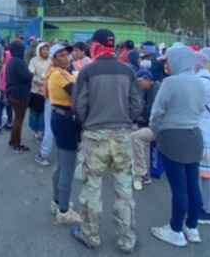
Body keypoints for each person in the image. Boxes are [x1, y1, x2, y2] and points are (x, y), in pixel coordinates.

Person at [70, 29, 141, 253]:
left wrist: (90, 122)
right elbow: (137, 104)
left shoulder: (88, 71)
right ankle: (127, 239)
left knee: (92, 188)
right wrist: (124, 120)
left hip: (94, 136)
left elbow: (78, 105)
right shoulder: (127, 70)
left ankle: (90, 236)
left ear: (96, 46)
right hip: (121, 136)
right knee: (123, 189)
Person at [149, 46, 207, 248]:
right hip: (194, 134)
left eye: (169, 61)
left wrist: (154, 131)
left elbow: (157, 111)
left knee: (178, 188)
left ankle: (174, 230)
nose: (166, 65)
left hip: (172, 135)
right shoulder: (200, 81)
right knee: (193, 184)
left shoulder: (171, 82)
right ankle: (192, 227)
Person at [46, 44, 83, 226]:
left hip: (61, 119)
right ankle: (64, 211)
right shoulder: (59, 74)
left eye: (67, 54)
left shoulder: (64, 73)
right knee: (67, 165)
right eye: (61, 55)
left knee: (61, 163)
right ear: (54, 60)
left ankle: (57, 201)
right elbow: (78, 93)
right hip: (65, 121)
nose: (66, 58)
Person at [193, 52, 210, 226]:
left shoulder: (202, 82)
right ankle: (208, 207)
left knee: (207, 174)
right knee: (208, 173)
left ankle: (208, 212)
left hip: (203, 132)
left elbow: (195, 106)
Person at [130, 69, 160, 189]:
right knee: (128, 131)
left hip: (159, 127)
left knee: (135, 136)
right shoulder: (150, 89)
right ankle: (132, 164)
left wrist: (139, 121)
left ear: (147, 79)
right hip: (157, 124)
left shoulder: (155, 90)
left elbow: (151, 112)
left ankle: (141, 173)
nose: (138, 84)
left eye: (140, 81)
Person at [5, 40, 34, 153]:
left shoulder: (12, 61)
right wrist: (32, 73)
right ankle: (17, 144)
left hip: (12, 92)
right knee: (19, 119)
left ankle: (13, 140)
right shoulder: (18, 62)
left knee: (17, 118)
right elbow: (25, 77)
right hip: (19, 94)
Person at [28, 42, 50, 144]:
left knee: (45, 113)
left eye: (47, 49)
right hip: (36, 91)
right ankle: (35, 131)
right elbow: (31, 73)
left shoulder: (51, 61)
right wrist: (39, 80)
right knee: (35, 112)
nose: (46, 51)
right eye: (43, 49)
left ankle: (45, 132)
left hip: (48, 92)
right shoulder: (34, 60)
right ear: (39, 50)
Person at [0, 50, 14, 133]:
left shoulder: (5, 68)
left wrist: (2, 89)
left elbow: (3, 81)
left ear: (6, 57)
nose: (1, 58)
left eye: (2, 57)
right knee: (9, 107)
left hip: (4, 91)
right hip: (8, 91)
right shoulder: (8, 66)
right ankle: (9, 124)